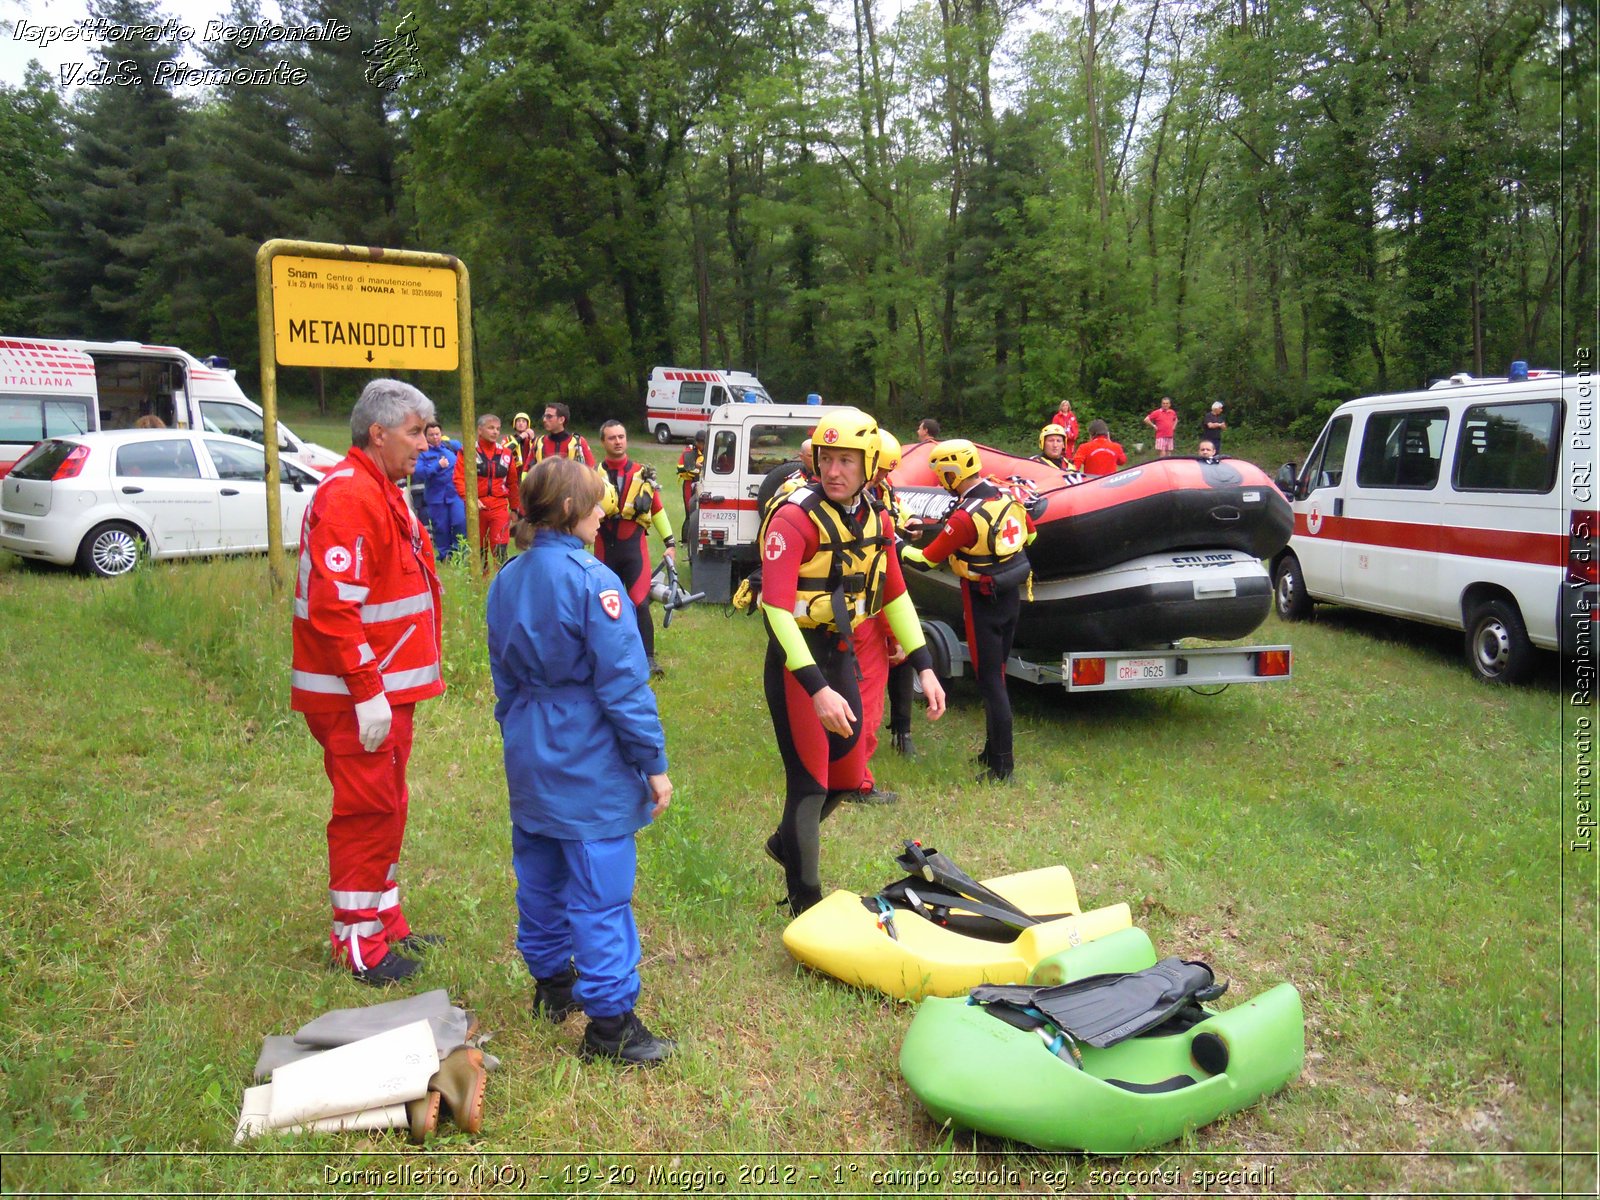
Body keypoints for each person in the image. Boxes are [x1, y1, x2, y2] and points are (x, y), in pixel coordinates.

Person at [487, 457, 676, 1065]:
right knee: (601, 887)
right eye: (597, 503)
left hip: (529, 745)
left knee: (539, 872)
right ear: (570, 511)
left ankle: (552, 985)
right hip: (586, 753)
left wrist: (519, 733)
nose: (605, 513)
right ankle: (611, 1024)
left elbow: (503, 676)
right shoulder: (594, 581)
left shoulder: (507, 577)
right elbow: (624, 684)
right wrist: (653, 762)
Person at [758, 409, 946, 915]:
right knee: (810, 781)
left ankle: (786, 844)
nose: (834, 471)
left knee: (847, 775)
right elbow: (774, 609)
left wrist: (926, 665)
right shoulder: (794, 518)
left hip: (840, 654)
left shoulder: (878, 518)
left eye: (846, 461)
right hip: (798, 665)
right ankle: (806, 902)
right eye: (827, 459)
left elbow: (894, 594)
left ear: (869, 467)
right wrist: (816, 688)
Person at [291, 379, 445, 986]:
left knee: (388, 804)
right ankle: (356, 943)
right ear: (377, 433)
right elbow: (334, 607)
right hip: (358, 699)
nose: (425, 445)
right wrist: (366, 689)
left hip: (382, 694)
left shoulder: (382, 488)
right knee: (366, 809)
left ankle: (385, 920)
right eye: (414, 432)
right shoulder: (352, 495)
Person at [903, 439, 1032, 783]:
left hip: (980, 600)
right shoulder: (1007, 497)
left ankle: (1002, 766)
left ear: (952, 471)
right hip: (1009, 595)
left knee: (991, 683)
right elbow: (1028, 537)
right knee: (998, 676)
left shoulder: (965, 516)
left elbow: (926, 560)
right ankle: (992, 751)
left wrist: (897, 544)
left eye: (942, 473)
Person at [848, 428, 905, 803]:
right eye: (881, 472)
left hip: (837, 622)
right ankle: (857, 782)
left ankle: (839, 773)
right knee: (866, 707)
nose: (884, 479)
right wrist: (895, 636)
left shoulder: (870, 507)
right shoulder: (871, 515)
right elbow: (885, 585)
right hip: (860, 624)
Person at [595, 420, 676, 677]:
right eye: (612, 438)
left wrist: (670, 543)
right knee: (605, 604)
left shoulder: (643, 474)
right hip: (603, 547)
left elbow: (657, 509)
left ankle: (648, 659)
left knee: (639, 602)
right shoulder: (592, 476)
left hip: (633, 547)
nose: (618, 441)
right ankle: (608, 658)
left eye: (621, 436)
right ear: (603, 442)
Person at [454, 413, 517, 570]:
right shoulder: (467, 452)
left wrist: (516, 509)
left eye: (497, 429)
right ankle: (478, 585)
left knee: (500, 547)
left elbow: (513, 483)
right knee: (478, 549)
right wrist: (470, 499)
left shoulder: (507, 454)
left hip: (499, 506)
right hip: (476, 507)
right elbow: (459, 479)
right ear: (480, 430)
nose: (495, 432)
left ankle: (502, 582)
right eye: (491, 428)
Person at [415, 421, 467, 560]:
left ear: (441, 434)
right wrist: (437, 466)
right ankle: (445, 556)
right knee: (441, 528)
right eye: (431, 435)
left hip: (455, 494)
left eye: (437, 434)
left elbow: (469, 450)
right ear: (426, 436)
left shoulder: (451, 447)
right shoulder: (422, 453)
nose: (435, 437)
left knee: (460, 521)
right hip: (436, 497)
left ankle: (460, 553)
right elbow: (419, 472)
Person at [676, 430, 706, 512]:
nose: (701, 445)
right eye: (700, 443)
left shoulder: (706, 451)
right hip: (689, 483)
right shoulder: (690, 450)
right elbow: (680, 467)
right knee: (690, 512)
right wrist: (695, 465)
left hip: (702, 484)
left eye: (703, 443)